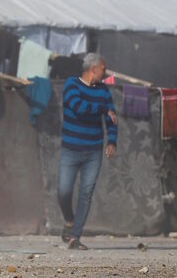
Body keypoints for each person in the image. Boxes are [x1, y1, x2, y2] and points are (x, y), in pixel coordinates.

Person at [58, 52, 117, 250]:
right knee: (64, 191)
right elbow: (78, 106)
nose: (105, 73)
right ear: (93, 68)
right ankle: (69, 220)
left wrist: (112, 140)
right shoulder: (71, 84)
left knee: (86, 193)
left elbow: (112, 117)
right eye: (103, 69)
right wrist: (102, 109)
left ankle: (75, 237)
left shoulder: (103, 90)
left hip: (93, 150)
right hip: (71, 148)